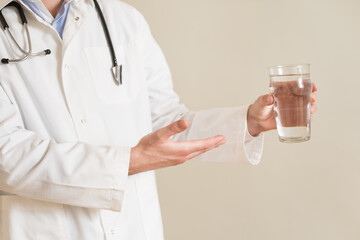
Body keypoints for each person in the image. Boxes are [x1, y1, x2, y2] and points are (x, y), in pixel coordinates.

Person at [0, 0, 318, 239]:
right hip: (41, 229)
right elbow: (6, 156)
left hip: (133, 228)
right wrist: (127, 162)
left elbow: (166, 121)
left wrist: (247, 122)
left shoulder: (123, 21)